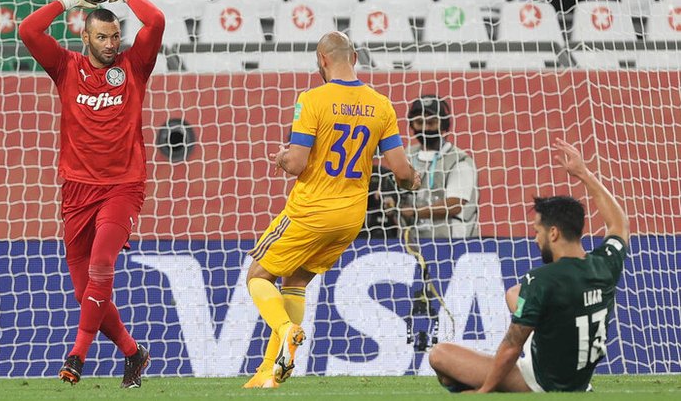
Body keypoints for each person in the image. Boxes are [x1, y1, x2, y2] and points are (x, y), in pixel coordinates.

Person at [243, 31, 421, 389]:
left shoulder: (312, 100)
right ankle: (268, 373)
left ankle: (285, 329)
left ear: (322, 60)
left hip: (311, 210)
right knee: (296, 281)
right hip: (351, 218)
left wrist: (280, 157)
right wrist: (413, 180)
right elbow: (401, 172)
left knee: (258, 275)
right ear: (354, 58)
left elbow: (295, 163)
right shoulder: (381, 104)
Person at [18, 0, 165, 388]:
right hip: (76, 192)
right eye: (102, 37)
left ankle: (76, 356)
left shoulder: (135, 66)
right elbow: (28, 31)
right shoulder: (65, 67)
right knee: (87, 293)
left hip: (123, 186)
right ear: (84, 36)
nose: (111, 43)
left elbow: (155, 20)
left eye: (115, 36)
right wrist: (66, 0)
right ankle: (134, 354)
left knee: (103, 263)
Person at [428, 138, 629, 393]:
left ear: (553, 233)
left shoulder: (542, 279)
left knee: (440, 355)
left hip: (543, 382)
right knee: (514, 294)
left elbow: (512, 344)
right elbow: (619, 225)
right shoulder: (605, 265)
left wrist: (484, 391)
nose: (535, 238)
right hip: (577, 374)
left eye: (537, 231)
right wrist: (583, 173)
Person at [400, 95, 478, 241]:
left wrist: (413, 212)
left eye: (432, 122)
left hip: (453, 243)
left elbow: (455, 205)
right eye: (419, 122)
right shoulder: (407, 154)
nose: (425, 128)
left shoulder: (460, 160)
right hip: (413, 241)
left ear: (443, 124)